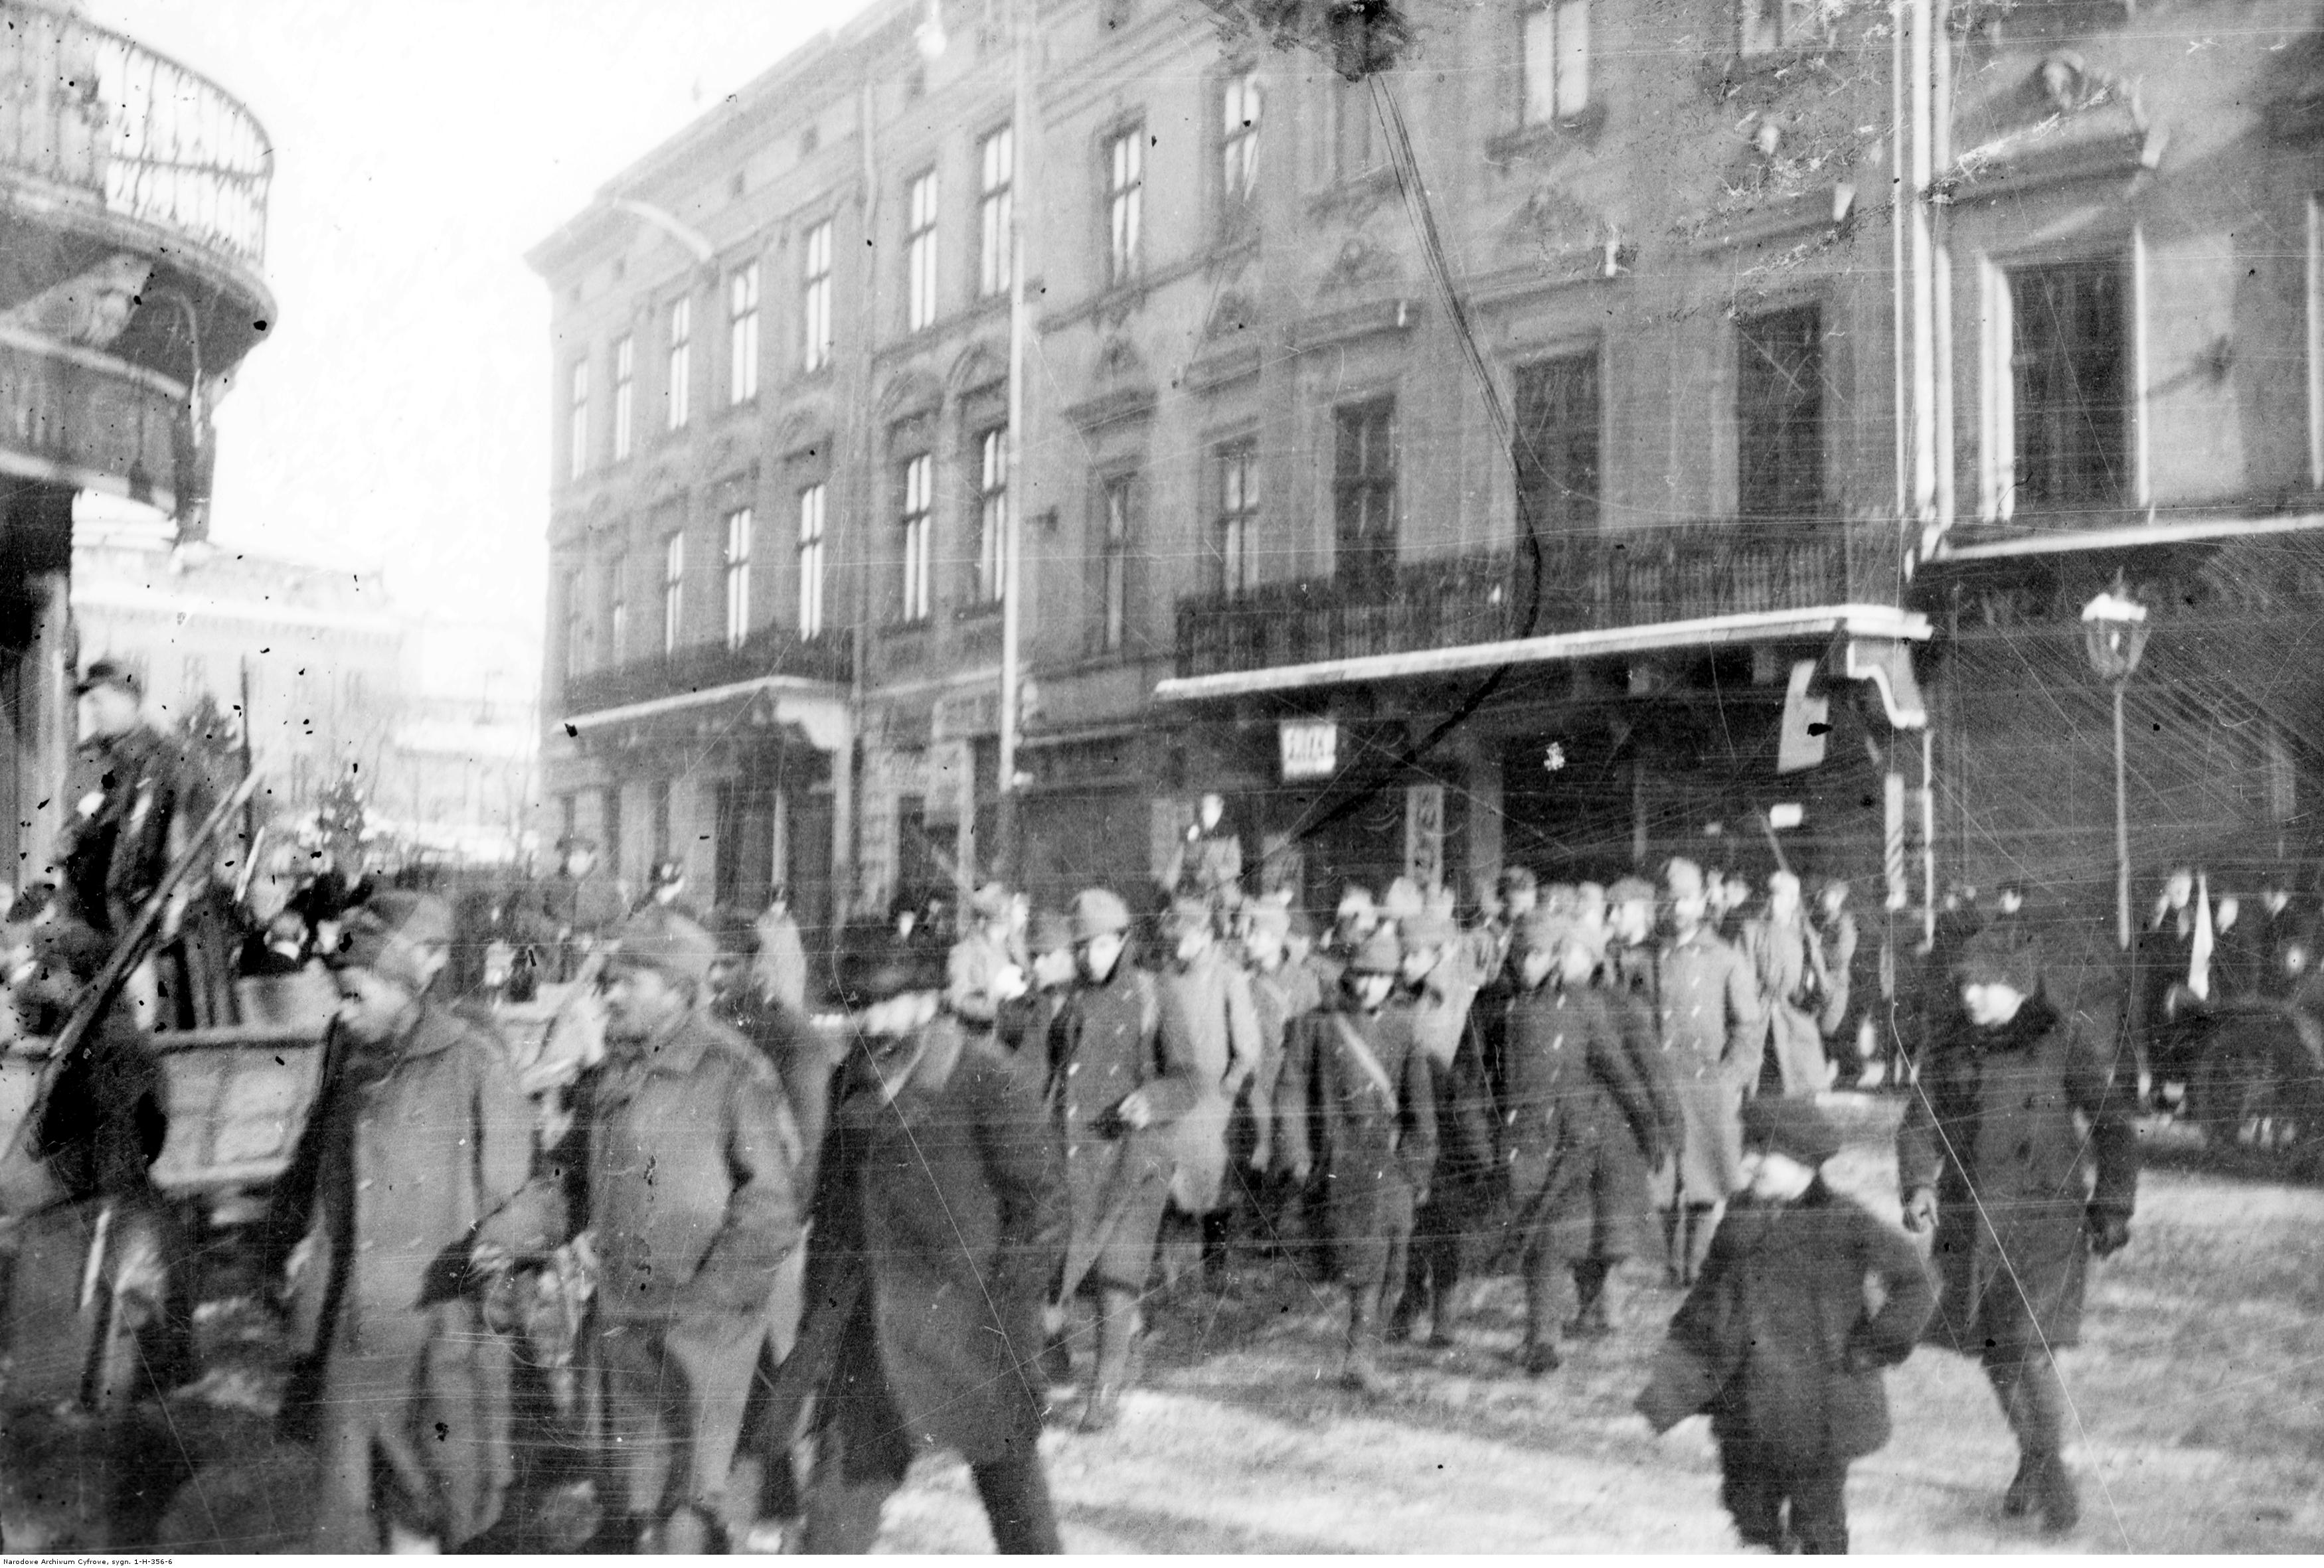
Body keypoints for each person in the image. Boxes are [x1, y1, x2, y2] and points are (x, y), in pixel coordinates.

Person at [525, 905, 803, 1552]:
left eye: (628, 982)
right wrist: (503, 1237)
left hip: (706, 1330)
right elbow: (571, 1184)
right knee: (636, 1497)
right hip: (626, 1320)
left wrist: (709, 1300)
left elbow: (770, 1204)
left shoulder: (734, 1072)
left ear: (679, 992)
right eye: (610, 980)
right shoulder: (613, 1076)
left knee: (690, 1506)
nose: (610, 993)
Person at [784, 923, 1066, 1552]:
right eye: (859, 1007)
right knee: (833, 1519)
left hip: (972, 1326)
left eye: (885, 1003)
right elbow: (834, 1212)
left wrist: (1006, 1306)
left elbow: (1041, 1206)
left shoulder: (984, 1079)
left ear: (927, 999)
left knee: (1019, 1510)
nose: (872, 1021)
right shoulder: (849, 1081)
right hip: (872, 1335)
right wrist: (820, 1313)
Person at [272, 892, 536, 1552]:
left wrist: (495, 1283)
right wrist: (309, 1244)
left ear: (401, 985)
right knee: (350, 1512)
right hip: (358, 1332)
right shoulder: (356, 1067)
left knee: (442, 1503)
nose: (342, 1009)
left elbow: (515, 1201)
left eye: (355, 994)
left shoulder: (474, 1061)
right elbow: (330, 1184)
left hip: (437, 1329)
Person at [1898, 926, 2139, 1536]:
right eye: (1965, 983)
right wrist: (1918, 1186)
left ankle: (2049, 1467)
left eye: (1985, 984)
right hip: (1972, 1221)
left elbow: (2113, 1127)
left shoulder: (2059, 1040)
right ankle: (2034, 1458)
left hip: (2045, 1222)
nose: (1971, 995)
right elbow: (1919, 1126)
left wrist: (2113, 1202)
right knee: (1997, 1357)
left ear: (2016, 985)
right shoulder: (1951, 1045)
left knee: (2028, 1348)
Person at [1640, 1097, 1934, 1554]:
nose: (1749, 1162)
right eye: (1748, 1148)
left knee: (1820, 1526)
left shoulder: (1843, 1220)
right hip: (1745, 1407)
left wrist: (1876, 1345)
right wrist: (1676, 1374)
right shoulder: (1739, 1213)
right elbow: (1710, 1296)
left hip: (1819, 1410)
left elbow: (1914, 1282)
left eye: (1764, 1151)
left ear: (1805, 1162)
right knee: (1747, 1513)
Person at [1471, 909, 1661, 1372]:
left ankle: (1543, 1340)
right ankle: (1542, 1336)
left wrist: (1649, 1128)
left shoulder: (1582, 1009)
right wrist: (1481, 1142)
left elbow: (1618, 1073)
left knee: (1551, 1239)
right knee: (1533, 1240)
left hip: (1572, 1141)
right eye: (1521, 954)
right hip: (1517, 1141)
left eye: (1538, 954)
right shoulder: (1491, 1006)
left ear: (1556, 958)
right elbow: (1469, 1080)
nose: (1528, 963)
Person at [1046, 887, 1200, 1431]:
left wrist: (1151, 1101)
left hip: (1137, 1157)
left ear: (1124, 942)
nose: (1092, 956)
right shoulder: (1067, 1000)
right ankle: (1111, 1348)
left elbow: (1189, 1079)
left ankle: (1104, 1389)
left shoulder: (1153, 992)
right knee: (1072, 1273)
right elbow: (1048, 1074)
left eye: (1103, 945)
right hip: (1078, 1155)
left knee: (1118, 1272)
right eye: (1083, 946)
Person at [1276, 925, 1437, 1397]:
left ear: (1394, 981)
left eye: (1382, 978)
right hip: (1338, 1162)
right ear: (1350, 975)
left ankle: (1362, 1354)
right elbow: (1289, 1089)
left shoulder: (1404, 1029)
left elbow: (1421, 1109)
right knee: (1360, 1264)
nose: (1371, 986)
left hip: (1389, 1163)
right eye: (1364, 975)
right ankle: (1359, 1358)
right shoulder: (1318, 1024)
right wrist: (1298, 1152)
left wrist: (1416, 1166)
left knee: (1390, 1266)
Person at [54, 659, 212, 1024]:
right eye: (89, 702)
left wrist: (174, 906)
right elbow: (75, 826)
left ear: (131, 699)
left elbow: (194, 844)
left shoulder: (172, 760)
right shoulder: (89, 758)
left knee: (141, 1026)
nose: (93, 711)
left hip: (143, 926)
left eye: (101, 700)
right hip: (86, 922)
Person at [1390, 905, 1496, 1347]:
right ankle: (1410, 1298)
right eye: (1404, 954)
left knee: (1445, 1219)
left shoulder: (1465, 998)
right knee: (1411, 1216)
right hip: (1411, 1120)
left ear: (1440, 952)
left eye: (1414, 954)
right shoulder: (1401, 997)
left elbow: (1475, 1068)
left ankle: (1445, 1311)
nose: (1405, 962)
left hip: (1451, 1120)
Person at [1655, 858, 1762, 1287]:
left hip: (1705, 1085)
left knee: (1704, 1180)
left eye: (1685, 900)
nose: (1677, 909)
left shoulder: (1725, 958)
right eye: (1669, 900)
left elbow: (1748, 1028)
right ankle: (1668, 1264)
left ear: (1701, 903)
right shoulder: (1649, 955)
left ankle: (1696, 1263)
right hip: (1660, 1083)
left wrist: (1729, 1078)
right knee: (1661, 1180)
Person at [1155, 896, 1260, 1277]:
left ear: (1203, 936)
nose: (1175, 945)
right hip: (1176, 1096)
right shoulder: (1165, 978)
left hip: (1216, 1101)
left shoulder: (1229, 977)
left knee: (1217, 1184)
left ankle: (1215, 1266)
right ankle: (1166, 1270)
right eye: (1172, 937)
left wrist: (1231, 1084)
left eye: (1183, 937)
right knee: (1169, 1180)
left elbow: (1248, 1044)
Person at [1740, 870, 1833, 1097]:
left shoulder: (1804, 934)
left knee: (1805, 1090)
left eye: (1781, 897)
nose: (1773, 903)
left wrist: (1811, 1000)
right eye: (1770, 896)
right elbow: (1743, 980)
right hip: (1761, 1021)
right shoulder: (1751, 930)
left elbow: (1821, 981)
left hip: (1795, 1020)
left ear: (1793, 901)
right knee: (1760, 1096)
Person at [948, 881, 1031, 1034]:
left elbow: (1028, 980)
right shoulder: (965, 953)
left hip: (1008, 1035)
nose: (1006, 928)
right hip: (975, 1037)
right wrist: (996, 1002)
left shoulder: (1010, 950)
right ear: (984, 920)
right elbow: (959, 1002)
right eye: (1000, 921)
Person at [539, 836, 624, 982]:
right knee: (530, 961)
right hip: (554, 962)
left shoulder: (609, 887)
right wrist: (555, 931)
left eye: (578, 856)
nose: (571, 861)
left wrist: (594, 942)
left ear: (592, 857)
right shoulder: (548, 884)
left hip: (596, 967)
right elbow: (528, 917)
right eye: (567, 856)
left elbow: (619, 925)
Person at [756, 884, 809, 1014]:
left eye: (782, 902)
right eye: (776, 902)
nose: (779, 906)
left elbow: (798, 955)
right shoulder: (762, 924)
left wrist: (800, 978)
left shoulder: (790, 925)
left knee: (792, 1020)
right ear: (770, 903)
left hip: (790, 985)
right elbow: (760, 957)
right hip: (771, 985)